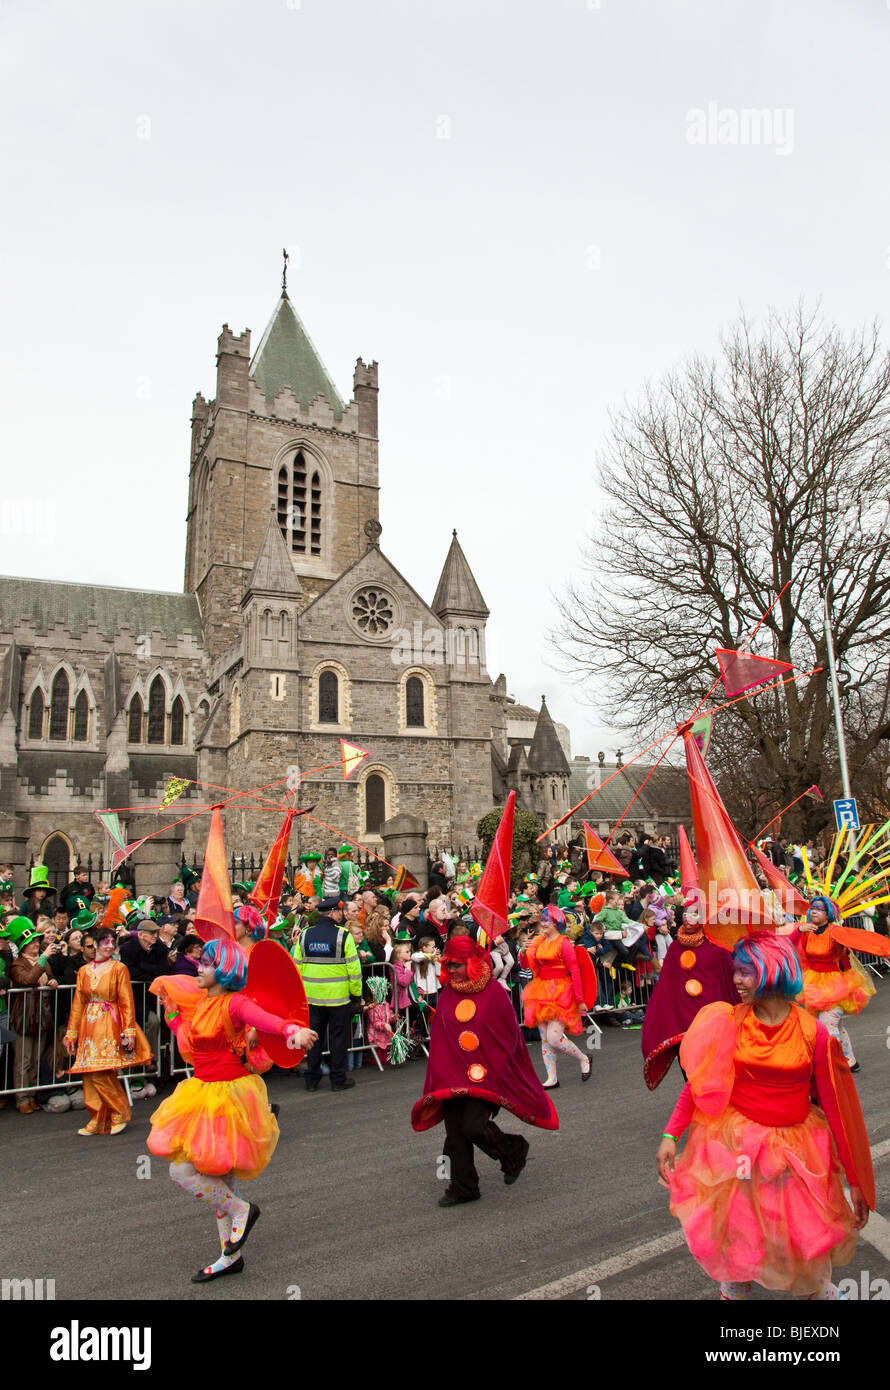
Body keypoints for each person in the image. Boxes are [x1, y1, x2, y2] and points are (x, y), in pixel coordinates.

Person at [657, 932, 872, 1300]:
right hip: (737, 1151)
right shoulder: (729, 1021)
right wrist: (670, 1136)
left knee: (806, 1262)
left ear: (771, 971)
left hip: (798, 1157)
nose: (736, 980)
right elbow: (699, 1085)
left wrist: (856, 1180)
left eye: (746, 972)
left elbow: (837, 1110)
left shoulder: (814, 1033)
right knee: (737, 1258)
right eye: (736, 971)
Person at [148, 938, 316, 1282]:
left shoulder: (234, 1003)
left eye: (207, 964)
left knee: (183, 1171)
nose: (199, 967)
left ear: (223, 972)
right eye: (201, 962)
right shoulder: (204, 1003)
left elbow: (266, 1019)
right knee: (219, 1177)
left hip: (228, 1097)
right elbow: (193, 1041)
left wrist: (292, 1031)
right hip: (202, 1093)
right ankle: (231, 1256)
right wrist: (174, 1013)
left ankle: (242, 1212)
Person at [412, 934, 558, 1206]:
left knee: (472, 1126)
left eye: (457, 965)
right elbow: (443, 1039)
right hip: (453, 1076)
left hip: (487, 1076)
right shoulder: (447, 995)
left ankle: (513, 1151)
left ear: (470, 963)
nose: (451, 970)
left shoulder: (494, 993)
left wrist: (496, 1069)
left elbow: (508, 1038)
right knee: (455, 1132)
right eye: (449, 965)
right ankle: (464, 1187)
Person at [62, 925, 153, 1135]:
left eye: (113, 941)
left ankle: (118, 1111)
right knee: (88, 1072)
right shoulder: (84, 971)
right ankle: (97, 1117)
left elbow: (126, 1002)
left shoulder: (118, 969)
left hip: (109, 1024)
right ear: (94, 944)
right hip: (88, 1025)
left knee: (102, 1071)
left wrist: (129, 1031)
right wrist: (71, 1033)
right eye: (105, 941)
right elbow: (78, 1003)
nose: (109, 946)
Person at [792, 895, 874, 1072]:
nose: (814, 911)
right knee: (833, 1025)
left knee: (828, 1025)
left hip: (836, 984)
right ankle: (850, 1061)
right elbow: (788, 945)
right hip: (813, 984)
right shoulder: (806, 930)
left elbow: (852, 950)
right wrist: (798, 931)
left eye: (819, 909)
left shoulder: (836, 931)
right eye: (812, 907)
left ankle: (835, 1064)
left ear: (828, 914)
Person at [292, 896, 362, 1092]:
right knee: (338, 1039)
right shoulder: (343, 936)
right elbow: (354, 970)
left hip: (312, 998)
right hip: (338, 998)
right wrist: (356, 994)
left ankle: (312, 1079)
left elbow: (297, 967)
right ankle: (338, 1079)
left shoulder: (305, 934)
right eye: (340, 911)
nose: (341, 914)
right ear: (333, 913)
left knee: (314, 1038)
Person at [520, 905, 590, 1087]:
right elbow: (526, 964)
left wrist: (580, 1000)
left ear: (556, 923)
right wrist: (523, 950)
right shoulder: (538, 941)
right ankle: (552, 1077)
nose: (543, 924)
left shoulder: (564, 943)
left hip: (561, 991)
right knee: (545, 1037)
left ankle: (583, 1058)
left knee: (553, 1037)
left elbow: (575, 971)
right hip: (541, 990)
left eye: (547, 921)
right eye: (542, 920)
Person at [8, 917, 61, 1112]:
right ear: (24, 947)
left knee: (36, 1058)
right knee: (24, 1059)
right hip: (24, 1016)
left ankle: (32, 1094)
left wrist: (53, 981)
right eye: (34, 943)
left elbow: (49, 976)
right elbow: (28, 979)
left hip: (42, 1014)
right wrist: (43, 957)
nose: (37, 944)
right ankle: (22, 1099)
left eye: (38, 942)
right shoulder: (17, 965)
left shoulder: (42, 961)